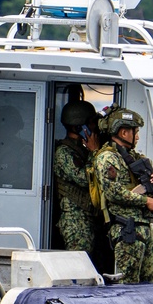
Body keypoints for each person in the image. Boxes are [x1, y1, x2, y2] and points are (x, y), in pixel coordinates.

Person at [91, 107, 153, 283]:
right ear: (124, 132)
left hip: (144, 228)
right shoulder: (107, 158)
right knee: (128, 287)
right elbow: (113, 192)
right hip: (127, 232)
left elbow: (149, 186)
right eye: (135, 132)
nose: (138, 136)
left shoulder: (136, 158)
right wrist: (146, 201)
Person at [53, 101, 102, 254]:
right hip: (75, 220)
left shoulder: (82, 148)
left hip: (88, 216)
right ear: (80, 127)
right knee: (79, 265)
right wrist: (95, 152)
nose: (95, 127)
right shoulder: (64, 152)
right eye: (92, 123)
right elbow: (84, 178)